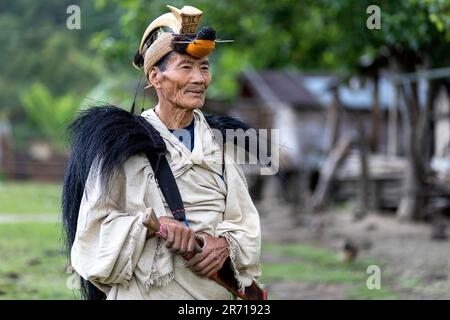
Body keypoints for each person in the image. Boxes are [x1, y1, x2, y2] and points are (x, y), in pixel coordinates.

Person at [62, 4, 263, 300]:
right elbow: (93, 232)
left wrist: (225, 246)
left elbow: (244, 224)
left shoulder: (219, 147)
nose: (199, 79)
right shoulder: (122, 145)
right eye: (186, 67)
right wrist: (153, 225)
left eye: (204, 68)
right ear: (155, 77)